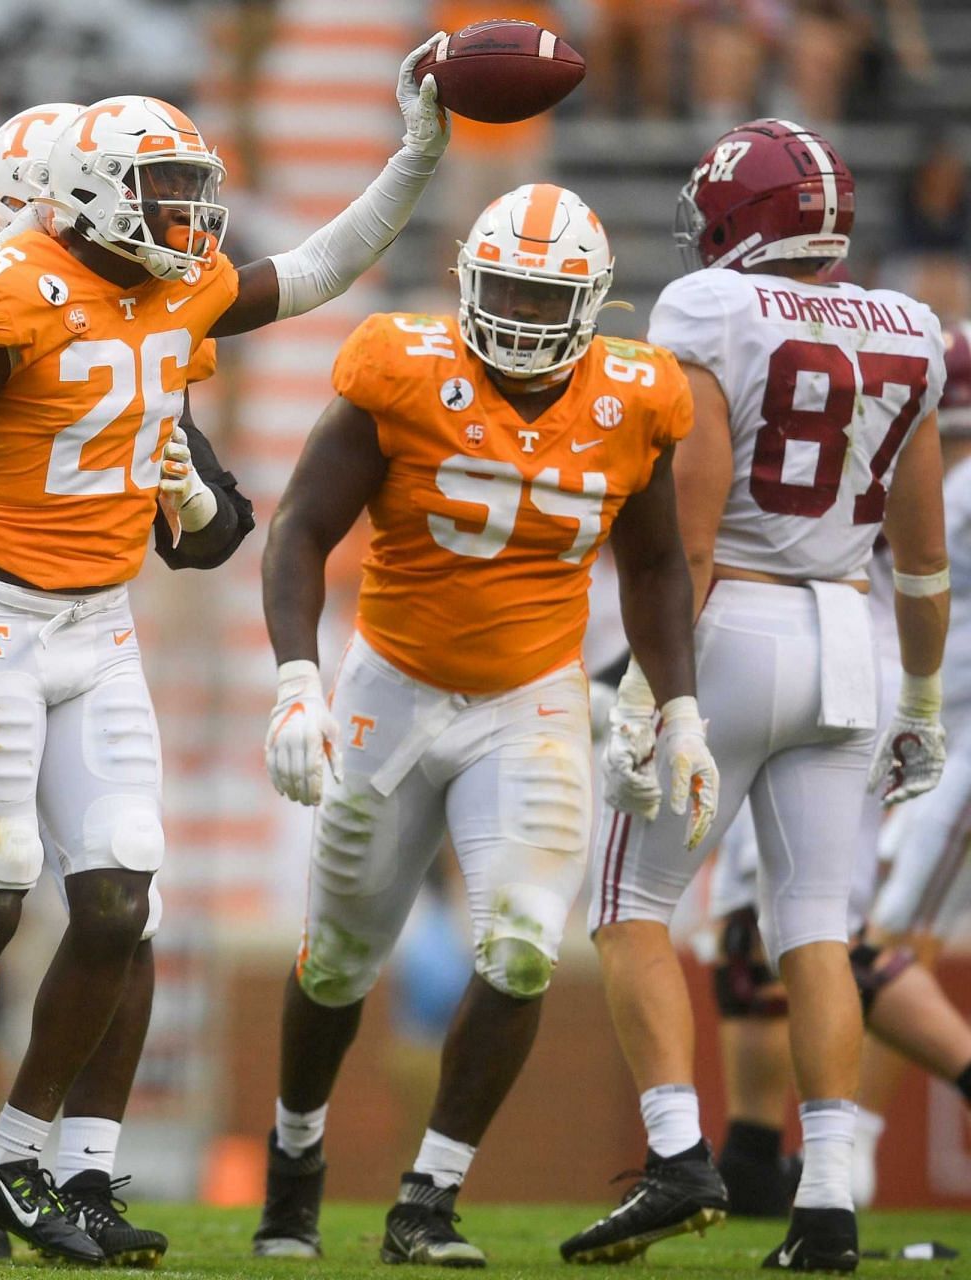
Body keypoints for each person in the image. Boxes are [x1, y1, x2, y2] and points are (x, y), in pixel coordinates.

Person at [0, 45, 451, 1264]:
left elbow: (321, 265)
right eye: (162, 187)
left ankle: (28, 1157)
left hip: (102, 622)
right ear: (85, 193)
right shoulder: (7, 281)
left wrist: (415, 157)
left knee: (124, 890)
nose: (190, 215)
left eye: (192, 186)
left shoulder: (175, 284)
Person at [252, 184, 706, 1266]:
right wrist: (295, 678)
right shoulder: (401, 366)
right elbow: (301, 527)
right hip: (391, 686)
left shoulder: (639, 393)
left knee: (521, 944)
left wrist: (677, 706)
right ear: (465, 277)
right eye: (503, 287)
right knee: (337, 961)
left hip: (530, 698)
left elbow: (654, 561)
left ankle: (430, 1199)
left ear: (596, 300)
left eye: (546, 295)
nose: (522, 315)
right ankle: (295, 1153)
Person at [0, 101, 256, 1265]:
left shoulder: (145, 296)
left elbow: (213, 529)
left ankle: (58, 1165)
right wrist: (12, 252)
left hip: (88, 619)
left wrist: (192, 496)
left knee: (121, 908)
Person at [563, 119, 950, 1273]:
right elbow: (920, 562)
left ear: (745, 216)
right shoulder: (914, 329)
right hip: (855, 636)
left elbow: (687, 531)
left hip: (736, 622)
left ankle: (680, 1154)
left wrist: (650, 685)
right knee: (818, 930)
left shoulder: (710, 309)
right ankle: (826, 1203)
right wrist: (922, 701)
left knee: (632, 904)